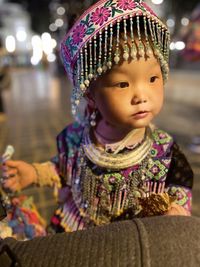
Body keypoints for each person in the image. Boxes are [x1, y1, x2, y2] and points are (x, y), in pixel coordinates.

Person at [1, 0, 193, 234]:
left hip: (133, 241)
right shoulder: (74, 139)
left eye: (153, 79)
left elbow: (180, 187)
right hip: (76, 235)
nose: (142, 96)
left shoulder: (165, 151)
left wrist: (176, 209)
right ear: (90, 94)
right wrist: (33, 174)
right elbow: (63, 169)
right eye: (123, 84)